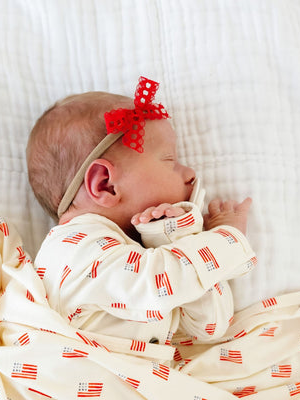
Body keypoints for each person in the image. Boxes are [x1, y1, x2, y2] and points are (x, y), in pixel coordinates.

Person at [26, 77, 256, 358]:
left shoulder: (134, 255)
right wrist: (226, 238)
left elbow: (210, 326)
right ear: (105, 185)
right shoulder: (72, 248)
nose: (190, 174)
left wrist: (177, 236)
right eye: (169, 160)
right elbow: (157, 283)